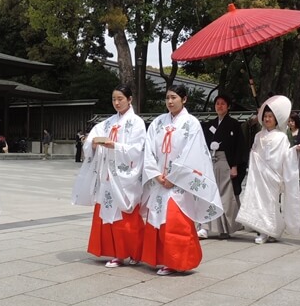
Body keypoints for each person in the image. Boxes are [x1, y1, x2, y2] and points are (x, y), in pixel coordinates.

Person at [140, 85, 222, 275]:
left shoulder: (191, 123)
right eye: (167, 97)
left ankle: (178, 261)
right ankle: (161, 258)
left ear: (184, 99)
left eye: (174, 97)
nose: (170, 101)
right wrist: (155, 174)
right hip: (160, 180)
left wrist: (174, 177)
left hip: (180, 183)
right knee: (157, 219)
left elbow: (191, 154)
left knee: (176, 220)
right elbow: (149, 150)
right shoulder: (158, 123)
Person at [72, 85, 146, 268]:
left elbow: (138, 150)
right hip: (107, 176)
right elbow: (91, 140)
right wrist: (93, 143)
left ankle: (136, 252)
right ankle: (117, 253)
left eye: (120, 98)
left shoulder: (136, 123)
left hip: (124, 177)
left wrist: (116, 146)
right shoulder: (107, 123)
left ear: (129, 99)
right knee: (108, 215)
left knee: (128, 216)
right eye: (114, 99)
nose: (117, 102)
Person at [236, 95, 300, 244]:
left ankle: (271, 230)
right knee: (260, 202)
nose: (267, 119)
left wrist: (295, 150)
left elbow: (285, 155)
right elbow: (254, 152)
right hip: (260, 175)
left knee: (271, 203)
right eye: (265, 116)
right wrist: (255, 157)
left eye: (270, 116)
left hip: (272, 175)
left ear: (276, 119)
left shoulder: (282, 137)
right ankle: (265, 231)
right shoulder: (258, 135)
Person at [199, 92, 246, 239]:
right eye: (217, 103)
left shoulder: (234, 125)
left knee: (225, 196)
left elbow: (239, 147)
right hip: (211, 161)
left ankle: (225, 228)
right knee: (209, 194)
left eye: (222, 104)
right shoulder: (210, 124)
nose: (219, 106)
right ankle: (205, 227)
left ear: (228, 107)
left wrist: (235, 165)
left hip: (226, 162)